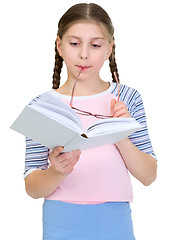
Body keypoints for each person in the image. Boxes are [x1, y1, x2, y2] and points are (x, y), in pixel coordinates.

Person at [24, 3, 157, 240]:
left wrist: (122, 134)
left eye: (95, 45)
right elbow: (32, 188)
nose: (84, 54)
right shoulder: (41, 106)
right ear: (59, 46)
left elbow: (149, 176)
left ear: (109, 49)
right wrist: (57, 172)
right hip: (61, 222)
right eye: (74, 43)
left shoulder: (128, 98)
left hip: (114, 220)